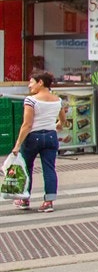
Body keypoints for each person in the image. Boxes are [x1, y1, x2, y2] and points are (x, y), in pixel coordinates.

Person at [10, 69, 67, 212]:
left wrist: (17, 145)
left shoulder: (31, 100)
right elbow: (63, 121)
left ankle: (24, 199)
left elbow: (27, 125)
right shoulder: (58, 100)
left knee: (26, 167)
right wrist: (58, 125)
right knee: (49, 168)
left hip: (33, 138)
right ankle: (48, 202)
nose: (29, 86)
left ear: (40, 82)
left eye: (31, 82)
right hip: (51, 137)